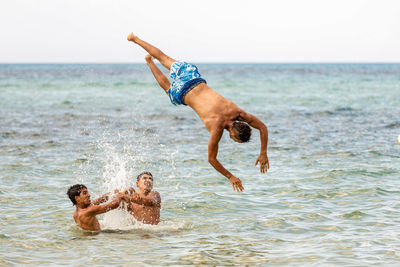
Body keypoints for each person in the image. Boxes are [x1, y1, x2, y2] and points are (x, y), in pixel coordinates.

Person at [127, 33, 269, 192]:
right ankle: (149, 63)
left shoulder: (237, 112)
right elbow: (212, 159)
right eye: (236, 140)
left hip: (193, 78)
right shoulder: (217, 128)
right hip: (183, 93)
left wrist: (263, 153)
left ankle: (135, 39)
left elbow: (262, 127)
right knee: (168, 90)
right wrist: (231, 176)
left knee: (164, 58)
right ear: (233, 135)